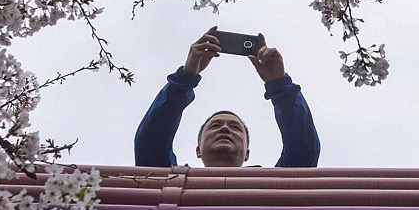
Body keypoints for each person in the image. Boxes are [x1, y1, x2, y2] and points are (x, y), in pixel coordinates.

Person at [134, 27, 320, 168]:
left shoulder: (273, 188)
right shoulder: (168, 182)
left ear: (247, 154)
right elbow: (150, 144)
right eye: (215, 126)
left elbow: (303, 151)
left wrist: (280, 84)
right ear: (198, 150)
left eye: (235, 127)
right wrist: (185, 77)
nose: (224, 129)